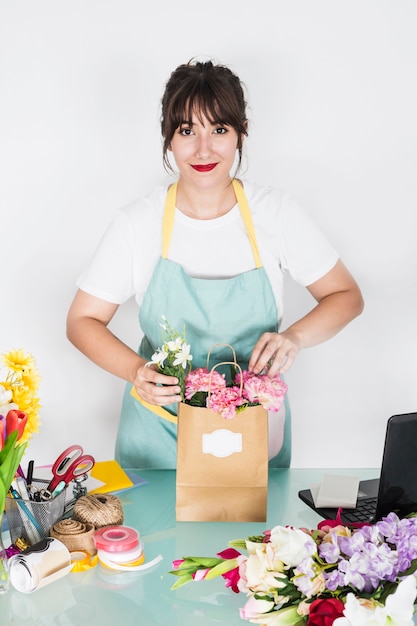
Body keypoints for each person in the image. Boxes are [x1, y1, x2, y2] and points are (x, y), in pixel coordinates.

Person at [66, 59, 364, 470]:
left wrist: (294, 337)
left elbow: (345, 295)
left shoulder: (275, 213)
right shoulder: (137, 223)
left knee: (249, 536)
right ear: (168, 139)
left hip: (252, 424)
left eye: (219, 130)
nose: (203, 149)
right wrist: (137, 371)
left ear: (242, 133)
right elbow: (82, 319)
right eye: (187, 131)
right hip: (158, 429)